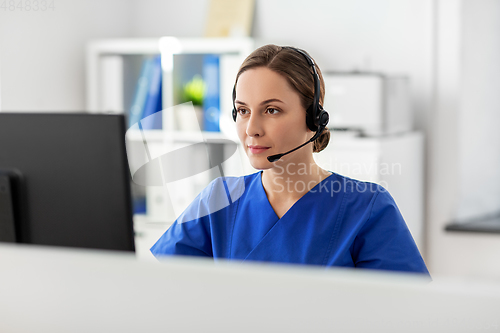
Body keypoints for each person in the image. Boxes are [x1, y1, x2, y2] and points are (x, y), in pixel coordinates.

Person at [151, 44, 430, 276]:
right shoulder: (217, 200)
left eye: (271, 110)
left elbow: (407, 312)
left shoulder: (368, 208)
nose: (251, 129)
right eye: (243, 111)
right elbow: (166, 292)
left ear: (313, 119)